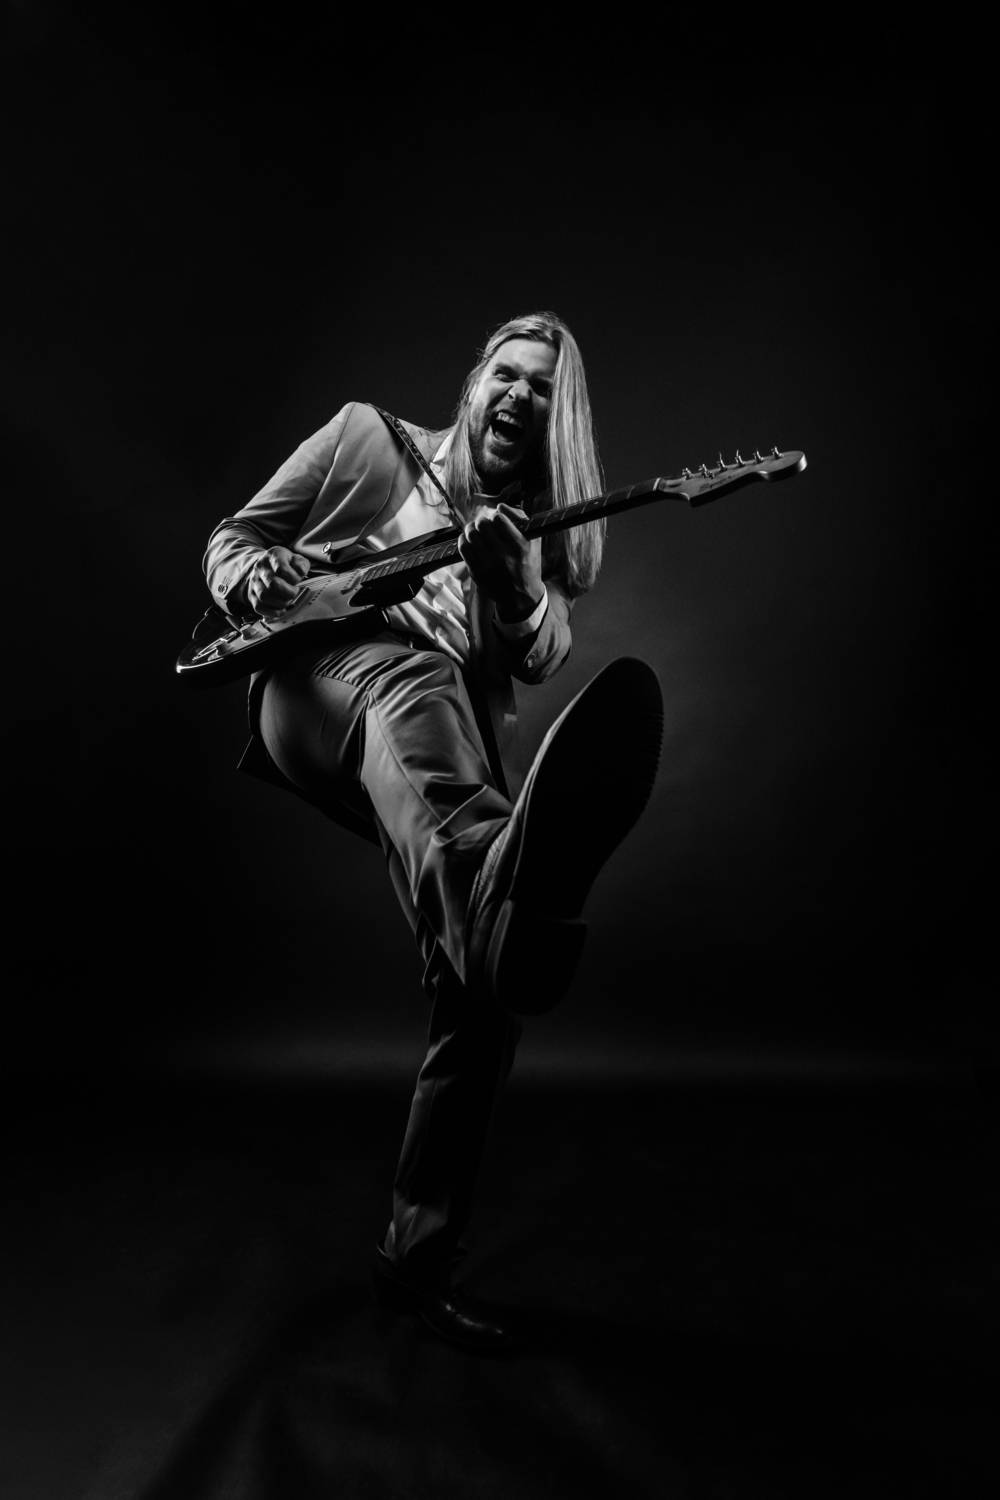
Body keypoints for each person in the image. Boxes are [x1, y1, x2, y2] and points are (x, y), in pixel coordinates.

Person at [201, 311, 663, 1350]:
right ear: (473, 382)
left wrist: (515, 587)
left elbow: (542, 653)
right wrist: (250, 577)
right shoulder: (364, 438)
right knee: (419, 685)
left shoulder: (537, 543)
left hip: (432, 758)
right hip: (318, 686)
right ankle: (502, 871)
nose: (519, 396)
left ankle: (415, 1264)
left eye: (543, 390)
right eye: (508, 374)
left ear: (557, 424)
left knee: (478, 985)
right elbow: (234, 540)